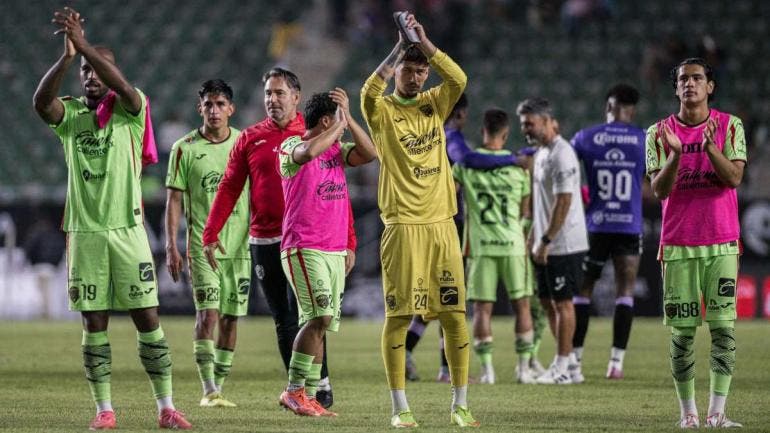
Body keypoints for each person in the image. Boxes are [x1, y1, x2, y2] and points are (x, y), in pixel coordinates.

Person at [32, 7, 191, 430]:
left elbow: (123, 86)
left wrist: (83, 45)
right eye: (85, 70)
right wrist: (67, 57)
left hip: (128, 231)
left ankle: (166, 407)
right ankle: (104, 408)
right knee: (94, 322)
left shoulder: (131, 109)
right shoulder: (70, 116)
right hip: (85, 234)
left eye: (97, 69)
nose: (91, 75)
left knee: (148, 318)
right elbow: (40, 103)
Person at [360, 12, 479, 428]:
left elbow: (459, 79)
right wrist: (399, 47)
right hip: (403, 227)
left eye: (421, 71)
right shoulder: (382, 110)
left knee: (454, 316)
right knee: (399, 317)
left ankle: (460, 405)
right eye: (409, 70)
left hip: (442, 224)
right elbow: (368, 90)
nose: (415, 77)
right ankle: (400, 408)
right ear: (398, 72)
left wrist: (425, 43)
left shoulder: (434, 103)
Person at [202, 68, 341, 408]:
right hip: (266, 240)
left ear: (296, 97)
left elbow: (335, 187)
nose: (272, 99)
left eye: (279, 93)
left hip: (307, 239)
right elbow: (230, 186)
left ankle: (320, 384)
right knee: (284, 318)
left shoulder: (311, 135)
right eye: (268, 93)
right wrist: (211, 232)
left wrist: (348, 239)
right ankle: (301, 390)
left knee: (313, 315)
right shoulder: (250, 138)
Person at [646, 58, 746, 429]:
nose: (690, 84)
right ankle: (688, 413)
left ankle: (717, 413)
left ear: (710, 86)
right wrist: (676, 154)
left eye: (697, 78)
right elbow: (659, 190)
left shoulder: (729, 126)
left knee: (723, 331)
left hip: (722, 241)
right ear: (676, 88)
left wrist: (709, 149)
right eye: (683, 79)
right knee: (683, 335)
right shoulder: (658, 132)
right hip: (678, 245)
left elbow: (734, 178)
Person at [404, 94, 522, 383]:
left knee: (436, 297)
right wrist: (513, 159)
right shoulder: (450, 136)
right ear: (460, 114)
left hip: (423, 221)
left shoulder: (423, 135)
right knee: (449, 297)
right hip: (445, 226)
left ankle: (407, 352)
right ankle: (444, 369)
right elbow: (467, 159)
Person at [277, 89, 377, 417]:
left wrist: (348, 118)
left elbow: (370, 153)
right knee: (318, 318)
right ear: (325, 121)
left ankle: (308, 395)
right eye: (337, 119)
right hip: (304, 246)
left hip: (333, 249)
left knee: (321, 324)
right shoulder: (291, 145)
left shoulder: (336, 150)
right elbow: (307, 153)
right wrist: (338, 125)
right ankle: (293, 391)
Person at [165, 79, 249, 408]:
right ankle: (209, 389)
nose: (214, 110)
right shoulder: (184, 148)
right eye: (208, 105)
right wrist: (171, 245)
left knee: (230, 319)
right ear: (199, 108)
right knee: (208, 316)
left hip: (240, 247)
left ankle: (219, 387)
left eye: (220, 104)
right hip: (203, 248)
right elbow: (174, 200)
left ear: (231, 109)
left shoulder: (244, 143)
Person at [453, 108, 536, 385]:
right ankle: (523, 369)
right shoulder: (519, 166)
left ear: (482, 131)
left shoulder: (466, 165)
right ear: (506, 134)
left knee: (482, 310)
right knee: (522, 306)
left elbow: (449, 196)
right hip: (513, 245)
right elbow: (526, 211)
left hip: (480, 247)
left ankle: (487, 371)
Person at [569, 84, 646, 381]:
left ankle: (575, 360)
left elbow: (564, 166)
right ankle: (616, 364)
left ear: (608, 107)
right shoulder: (643, 139)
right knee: (625, 291)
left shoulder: (586, 137)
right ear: (632, 110)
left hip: (596, 224)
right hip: (629, 224)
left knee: (583, 290)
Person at [517, 97, 588, 385]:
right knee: (548, 302)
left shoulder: (562, 154)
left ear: (547, 121)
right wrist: (534, 234)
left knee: (563, 304)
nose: (525, 129)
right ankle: (569, 364)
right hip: (545, 242)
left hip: (564, 243)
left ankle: (562, 368)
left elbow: (564, 201)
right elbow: (543, 203)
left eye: (529, 124)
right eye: (523, 124)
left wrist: (546, 239)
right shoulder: (542, 153)